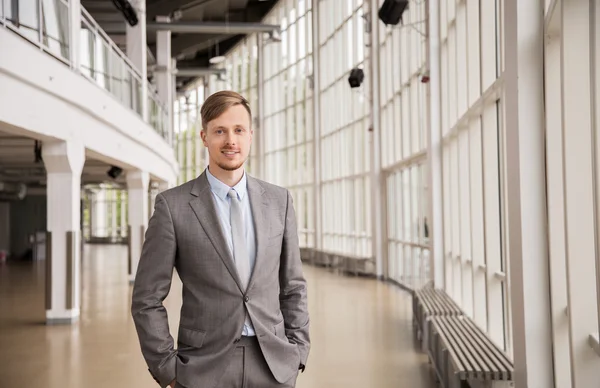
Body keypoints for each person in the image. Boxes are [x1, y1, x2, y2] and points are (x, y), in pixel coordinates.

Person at [131, 90, 310, 388]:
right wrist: (167, 369)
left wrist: (299, 351)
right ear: (204, 137)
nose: (231, 140)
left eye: (239, 130)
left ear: (250, 135)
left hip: (274, 365)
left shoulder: (281, 202)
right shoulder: (172, 206)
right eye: (220, 131)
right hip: (203, 367)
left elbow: (293, 285)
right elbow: (146, 298)